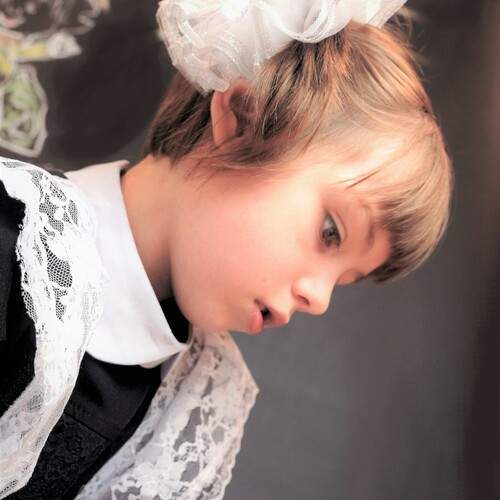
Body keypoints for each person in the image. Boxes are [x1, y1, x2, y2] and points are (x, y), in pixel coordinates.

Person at [0, 1, 453, 498]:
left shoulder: (190, 406)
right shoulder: (14, 241)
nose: (319, 300)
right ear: (241, 117)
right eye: (330, 232)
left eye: (344, 281)